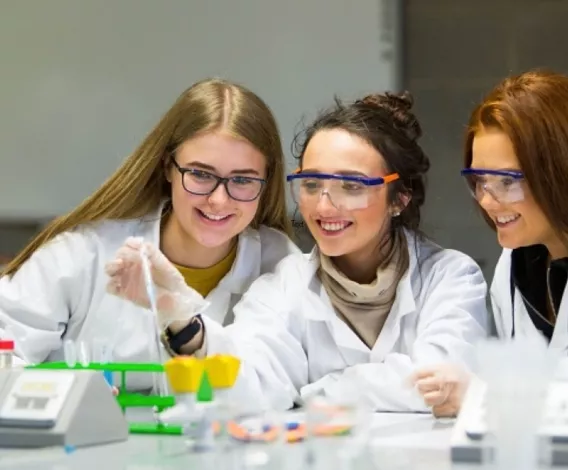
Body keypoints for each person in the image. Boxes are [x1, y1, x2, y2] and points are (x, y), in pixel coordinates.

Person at [107, 90, 488, 411]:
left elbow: (442, 386)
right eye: (311, 184)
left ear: (399, 198)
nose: (324, 207)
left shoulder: (451, 277)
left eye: (352, 187)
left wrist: (319, 390)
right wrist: (181, 319)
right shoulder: (285, 285)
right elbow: (246, 384)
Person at [0, 78, 300, 386]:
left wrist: (181, 318)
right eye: (199, 174)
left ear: (267, 180)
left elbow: (269, 384)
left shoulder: (281, 266)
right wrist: (68, 399)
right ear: (168, 167)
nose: (218, 200)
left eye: (242, 180)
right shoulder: (85, 251)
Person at [413, 69, 568, 417]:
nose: (487, 200)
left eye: (507, 181)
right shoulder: (516, 262)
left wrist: (485, 396)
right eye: (480, 180)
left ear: (559, 169)